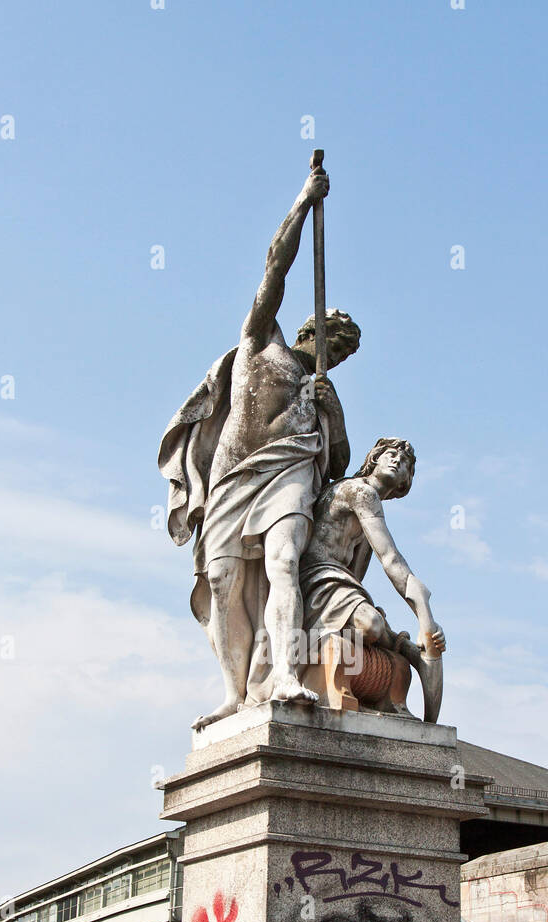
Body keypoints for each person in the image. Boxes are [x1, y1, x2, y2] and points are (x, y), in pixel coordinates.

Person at [159, 167, 360, 728]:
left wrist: (333, 411)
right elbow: (276, 265)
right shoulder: (260, 340)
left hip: (290, 471)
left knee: (282, 564)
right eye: (334, 346)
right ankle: (233, 692)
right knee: (223, 583)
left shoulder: (321, 390)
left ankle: (288, 676)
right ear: (310, 332)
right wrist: (302, 203)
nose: (337, 357)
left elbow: (336, 468)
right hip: (233, 473)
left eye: (344, 356)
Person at [299, 438, 445, 714]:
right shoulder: (359, 492)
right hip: (318, 577)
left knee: (375, 627)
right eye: (390, 455)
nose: (396, 461)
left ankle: (410, 653)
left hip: (340, 582)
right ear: (374, 459)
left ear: (404, 483)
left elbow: (365, 569)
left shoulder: (372, 506)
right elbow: (391, 559)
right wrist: (426, 618)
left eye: (405, 464)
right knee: (372, 626)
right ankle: (412, 652)